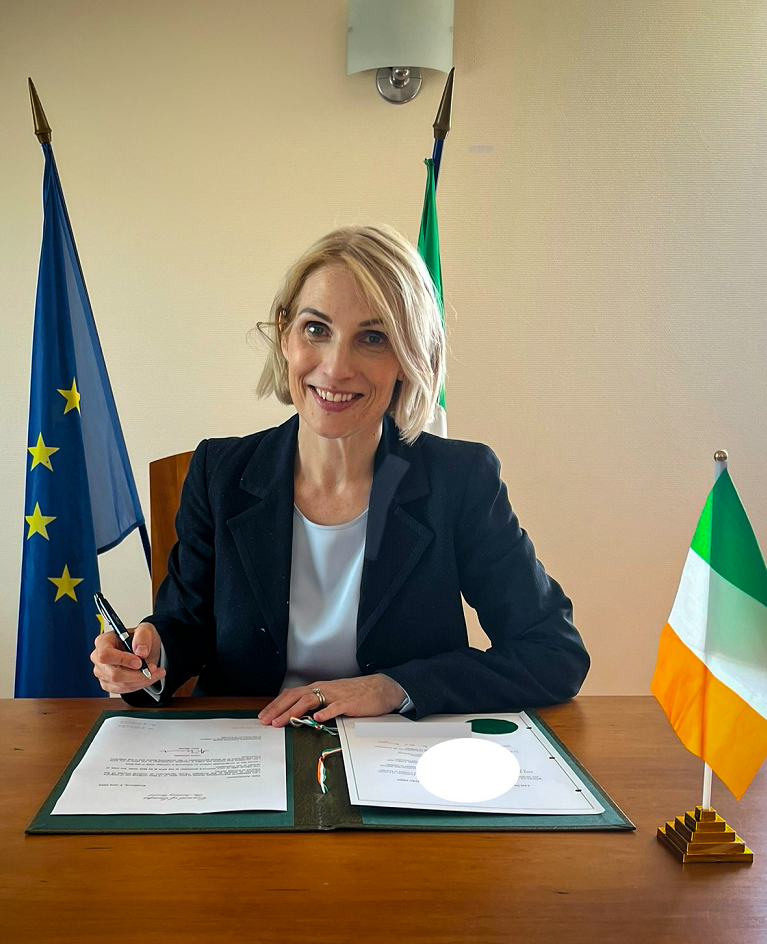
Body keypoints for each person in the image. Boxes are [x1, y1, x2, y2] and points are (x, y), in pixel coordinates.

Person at [91, 225, 589, 726]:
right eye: (316, 329)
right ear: (285, 335)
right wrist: (150, 656)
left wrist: (395, 687)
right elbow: (185, 627)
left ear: (407, 359)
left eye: (372, 338)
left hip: (397, 751)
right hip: (252, 746)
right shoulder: (218, 473)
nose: (335, 368)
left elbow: (553, 651)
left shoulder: (460, 481)